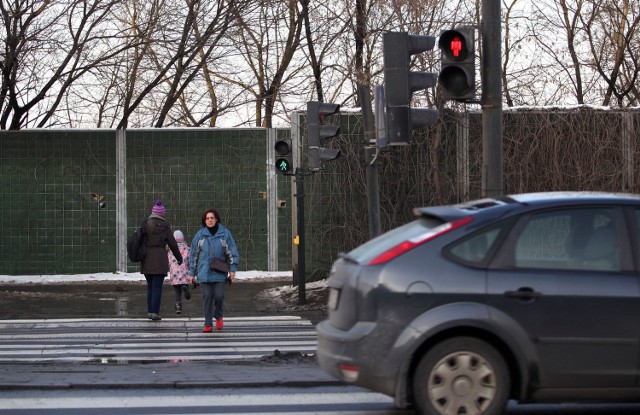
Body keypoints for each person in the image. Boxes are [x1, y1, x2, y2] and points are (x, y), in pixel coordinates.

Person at [189, 208, 239, 332]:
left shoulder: (224, 234)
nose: (210, 220)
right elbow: (193, 255)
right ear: (204, 221)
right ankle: (207, 323)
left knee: (219, 296)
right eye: (207, 218)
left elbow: (232, 252)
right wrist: (192, 273)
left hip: (219, 272)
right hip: (204, 273)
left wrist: (232, 269)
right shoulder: (200, 235)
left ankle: (218, 316)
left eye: (212, 218)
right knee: (207, 296)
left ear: (216, 219)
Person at [141, 200, 182, 321]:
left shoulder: (146, 224)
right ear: (162, 214)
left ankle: (150, 312)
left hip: (147, 257)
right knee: (157, 287)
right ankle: (155, 312)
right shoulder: (165, 226)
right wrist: (179, 258)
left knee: (150, 287)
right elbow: (173, 244)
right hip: (159, 258)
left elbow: (140, 239)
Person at [168, 230, 192, 314]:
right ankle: (185, 288)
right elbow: (190, 260)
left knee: (177, 291)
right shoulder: (187, 248)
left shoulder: (170, 250)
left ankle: (178, 306)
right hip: (184, 272)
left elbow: (169, 261)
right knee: (184, 284)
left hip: (175, 273)